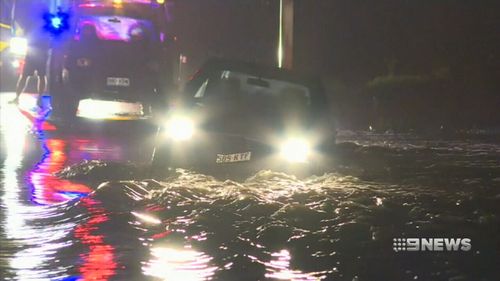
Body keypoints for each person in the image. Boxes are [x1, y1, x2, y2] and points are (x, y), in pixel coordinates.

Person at [9, 0, 50, 105]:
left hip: (38, 51)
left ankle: (35, 98)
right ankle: (19, 97)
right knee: (29, 75)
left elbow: (26, 33)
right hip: (35, 51)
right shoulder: (37, 22)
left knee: (35, 76)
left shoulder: (42, 22)